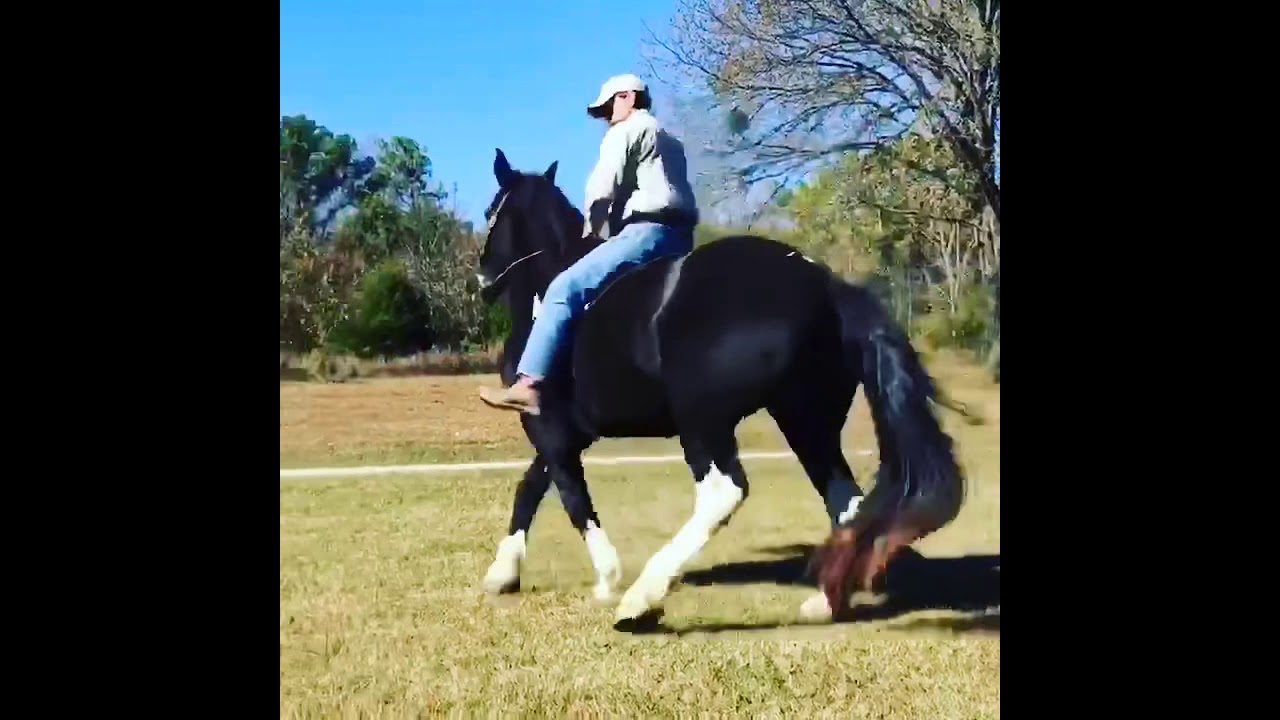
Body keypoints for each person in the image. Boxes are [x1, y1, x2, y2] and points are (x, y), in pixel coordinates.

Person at [479, 73, 699, 415]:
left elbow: (601, 190)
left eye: (607, 107)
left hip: (644, 233)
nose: (606, 117)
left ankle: (528, 384)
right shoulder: (671, 140)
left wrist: (592, 232)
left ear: (627, 97)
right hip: (681, 238)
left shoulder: (625, 131)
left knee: (564, 289)